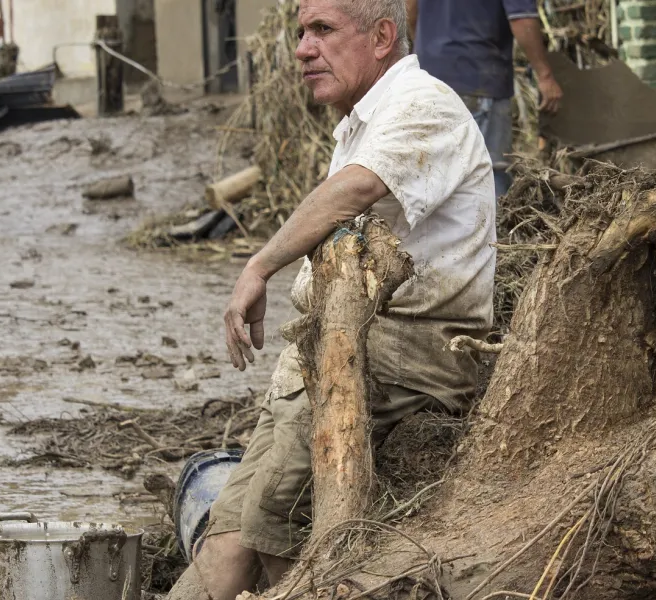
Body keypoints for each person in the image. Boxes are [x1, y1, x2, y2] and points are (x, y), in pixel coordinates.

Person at [168, 0, 495, 599]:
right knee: (229, 528)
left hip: (406, 351)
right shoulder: (363, 120)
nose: (301, 49)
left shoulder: (424, 105)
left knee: (274, 519)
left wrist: (260, 265)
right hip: (328, 348)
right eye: (300, 32)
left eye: (322, 30)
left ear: (381, 37)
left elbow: (355, 190)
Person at [406, 0, 563, 196]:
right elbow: (522, 19)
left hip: (427, 80)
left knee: (432, 172)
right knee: (487, 177)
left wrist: (426, 49)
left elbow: (409, 8)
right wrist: (545, 75)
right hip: (479, 78)